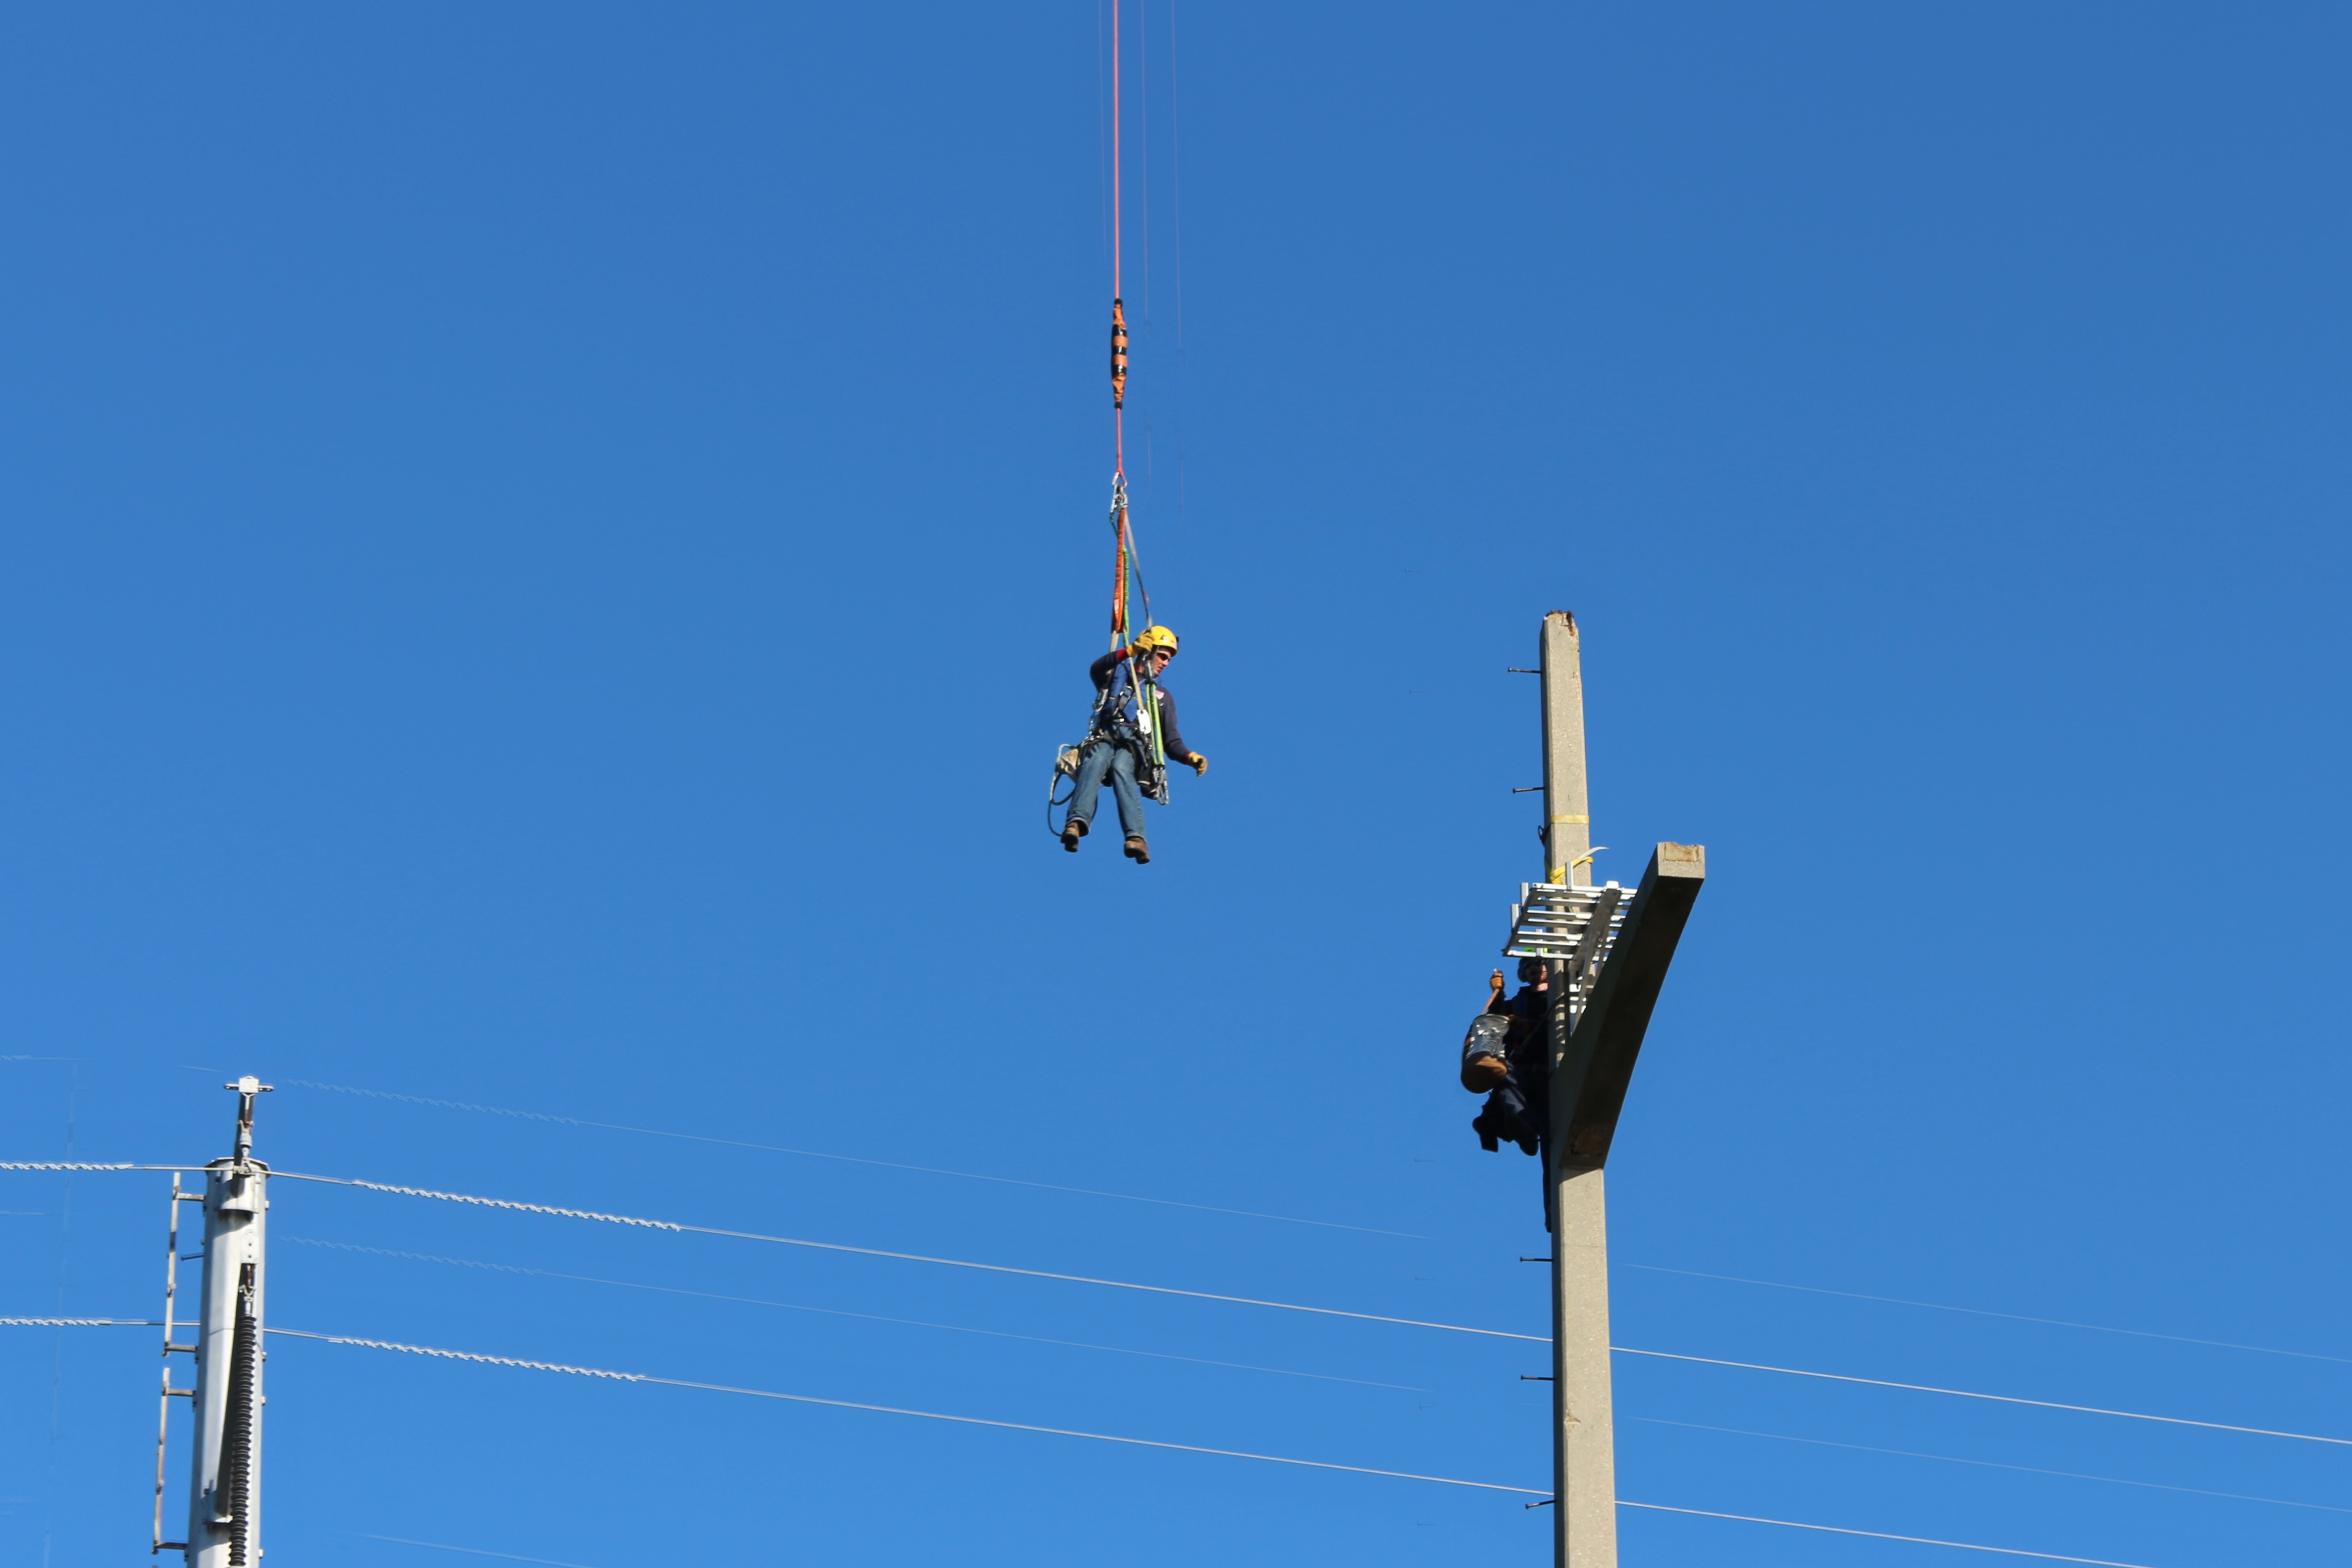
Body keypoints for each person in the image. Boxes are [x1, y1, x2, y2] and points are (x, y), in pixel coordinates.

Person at [1060, 625, 1206, 864]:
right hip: (1106, 735)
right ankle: (1076, 823)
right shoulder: (1117, 676)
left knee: (1121, 768)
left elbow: (1171, 740)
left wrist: (1190, 757)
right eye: (1163, 656)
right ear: (1149, 651)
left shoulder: (1160, 697)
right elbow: (1096, 668)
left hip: (1134, 748)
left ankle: (1136, 838)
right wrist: (1129, 651)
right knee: (1096, 760)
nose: (1166, 663)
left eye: (1170, 659)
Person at [1468, 958, 1551, 1155]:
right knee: (1504, 1074)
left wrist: (1528, 1024)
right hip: (1523, 1070)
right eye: (1528, 965)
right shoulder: (1518, 1003)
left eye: (1539, 962)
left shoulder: (1562, 998)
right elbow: (1495, 1023)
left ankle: (1526, 1129)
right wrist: (1498, 995)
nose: (1533, 967)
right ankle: (1525, 1130)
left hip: (1551, 1071)